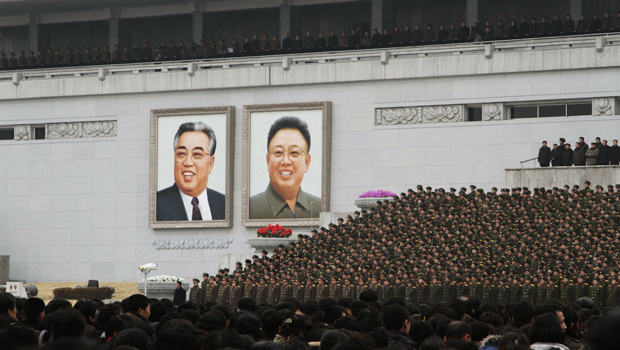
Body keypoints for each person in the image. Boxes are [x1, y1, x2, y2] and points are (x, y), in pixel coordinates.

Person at [249, 116, 321, 219]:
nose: (286, 161)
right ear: (268, 161)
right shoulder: (250, 209)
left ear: (307, 162)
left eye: (294, 153)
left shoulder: (320, 209)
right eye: (278, 152)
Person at [157, 122, 226, 221]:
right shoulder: (156, 205)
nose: (188, 162)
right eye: (181, 154)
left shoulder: (226, 204)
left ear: (210, 163)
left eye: (197, 154)